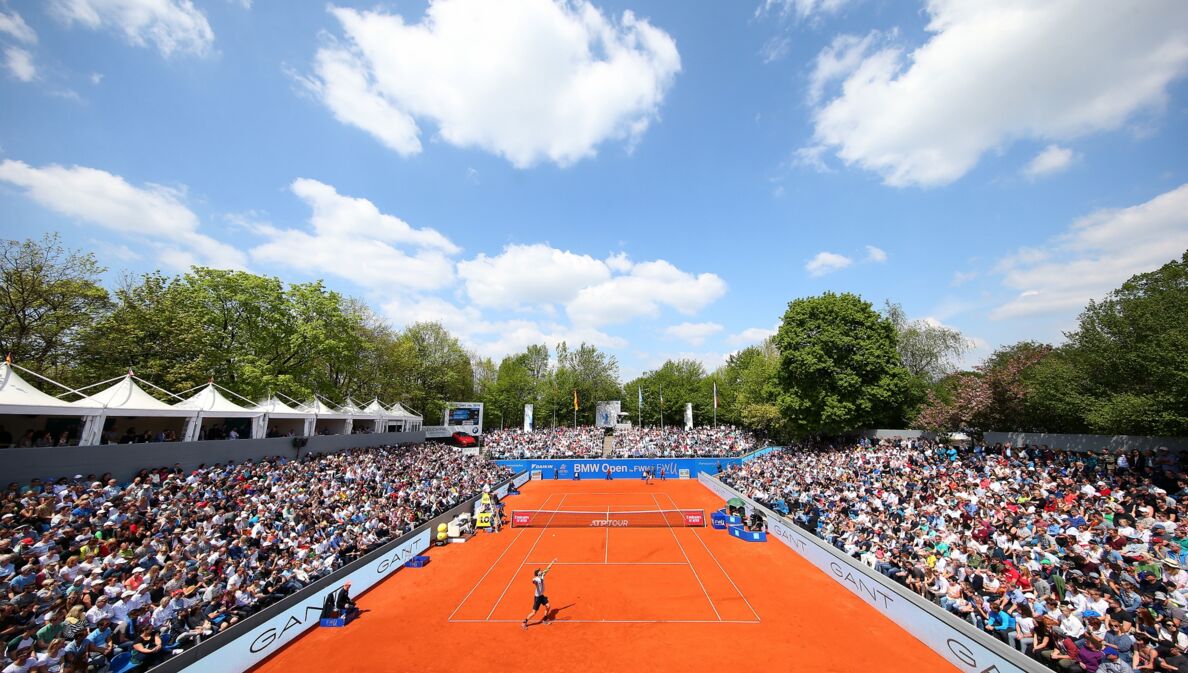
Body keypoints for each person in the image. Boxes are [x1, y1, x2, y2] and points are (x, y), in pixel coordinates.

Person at [522, 563, 555, 629]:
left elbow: (547, 569)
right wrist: (535, 583)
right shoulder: (536, 579)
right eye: (539, 571)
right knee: (534, 612)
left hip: (541, 596)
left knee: (548, 606)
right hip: (537, 598)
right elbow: (533, 581)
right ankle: (524, 622)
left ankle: (544, 619)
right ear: (537, 573)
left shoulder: (542, 575)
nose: (541, 571)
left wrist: (552, 562)